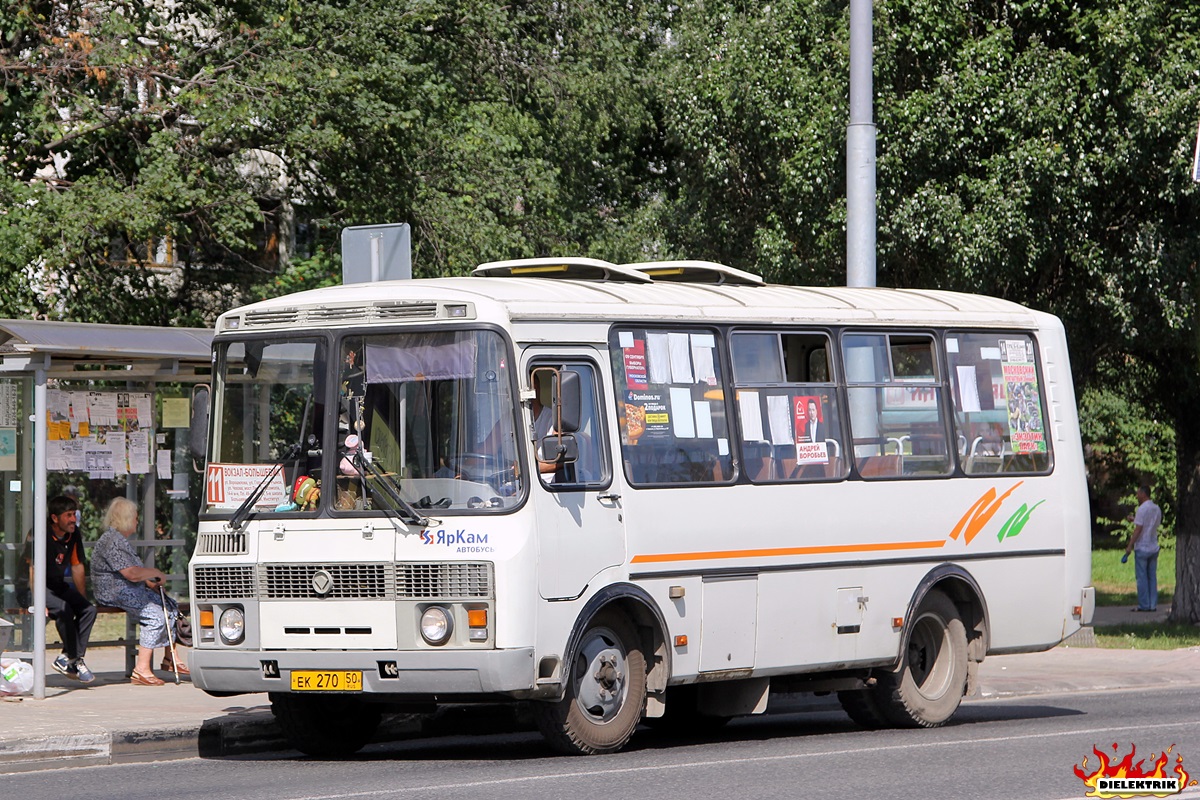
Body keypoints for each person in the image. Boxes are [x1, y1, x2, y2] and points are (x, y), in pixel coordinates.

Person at [90, 497, 188, 686]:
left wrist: (150, 583)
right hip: (113, 591)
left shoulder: (119, 539)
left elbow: (131, 574)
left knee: (170, 606)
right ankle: (141, 669)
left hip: (126, 588)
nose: (137, 521)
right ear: (126, 519)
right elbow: (132, 574)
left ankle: (170, 657)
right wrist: (155, 573)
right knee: (155, 616)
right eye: (135, 517)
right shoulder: (112, 542)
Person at [31, 494, 97, 683]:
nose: (73, 519)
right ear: (54, 518)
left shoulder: (73, 533)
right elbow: (32, 569)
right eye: (68, 515)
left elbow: (77, 566)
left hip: (56, 585)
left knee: (89, 610)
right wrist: (37, 600)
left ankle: (67, 657)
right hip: (34, 587)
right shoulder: (40, 533)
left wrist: (82, 600)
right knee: (63, 609)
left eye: (74, 514)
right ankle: (74, 658)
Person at [1124, 484, 1163, 612]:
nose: (1137, 495)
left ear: (1143, 494)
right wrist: (1134, 520)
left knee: (1141, 577)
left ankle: (1144, 605)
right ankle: (1153, 604)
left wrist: (1130, 546)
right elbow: (1151, 524)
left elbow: (1139, 529)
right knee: (1152, 576)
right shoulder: (1156, 508)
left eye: (1138, 493)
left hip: (1142, 546)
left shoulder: (1141, 509)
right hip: (1153, 545)